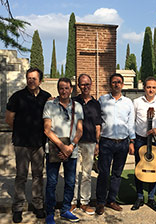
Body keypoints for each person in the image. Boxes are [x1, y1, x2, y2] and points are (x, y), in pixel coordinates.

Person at [5, 68, 51, 223]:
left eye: (34, 78)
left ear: (40, 80)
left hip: (38, 143)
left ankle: (38, 205)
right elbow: (9, 119)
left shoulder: (46, 97)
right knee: (21, 176)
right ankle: (18, 207)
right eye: (29, 78)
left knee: (38, 176)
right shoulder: (17, 97)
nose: (31, 81)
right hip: (22, 143)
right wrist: (21, 131)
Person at [43, 78, 83, 224]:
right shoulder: (49, 104)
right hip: (54, 149)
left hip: (71, 149)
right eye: (61, 88)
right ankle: (50, 212)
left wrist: (71, 146)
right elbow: (47, 130)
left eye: (66, 88)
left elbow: (80, 130)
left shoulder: (77, 106)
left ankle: (65, 209)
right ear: (58, 89)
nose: (64, 91)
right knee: (52, 183)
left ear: (71, 89)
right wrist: (63, 146)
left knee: (70, 182)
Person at [95, 73, 136, 215]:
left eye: (119, 82)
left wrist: (132, 141)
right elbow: (97, 121)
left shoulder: (128, 102)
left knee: (117, 174)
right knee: (104, 173)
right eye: (114, 82)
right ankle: (100, 202)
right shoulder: (102, 100)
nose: (116, 84)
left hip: (123, 143)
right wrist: (97, 142)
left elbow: (130, 123)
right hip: (106, 142)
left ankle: (111, 200)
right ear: (110, 84)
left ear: (122, 85)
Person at [131, 77, 156, 212]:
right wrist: (132, 139)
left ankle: (151, 198)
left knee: (154, 167)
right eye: (148, 87)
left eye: (153, 87)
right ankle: (139, 197)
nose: (151, 89)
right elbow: (132, 121)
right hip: (140, 139)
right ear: (144, 88)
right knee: (139, 168)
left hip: (155, 139)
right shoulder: (136, 102)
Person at [70, 74, 101, 215]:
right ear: (78, 85)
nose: (85, 87)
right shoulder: (73, 101)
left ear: (91, 84)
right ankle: (72, 201)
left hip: (90, 142)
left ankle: (84, 202)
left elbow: (98, 125)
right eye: (82, 84)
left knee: (87, 174)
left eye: (87, 84)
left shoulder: (96, 104)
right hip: (75, 142)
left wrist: (97, 143)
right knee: (74, 173)